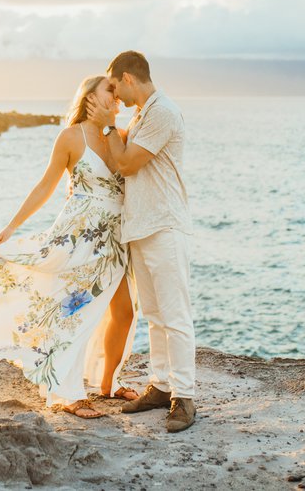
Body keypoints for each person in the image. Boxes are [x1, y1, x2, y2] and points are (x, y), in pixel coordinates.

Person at [0, 75, 139, 419]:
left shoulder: (119, 136)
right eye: (109, 89)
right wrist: (12, 225)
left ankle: (108, 384)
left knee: (124, 313)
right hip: (79, 237)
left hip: (114, 239)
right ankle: (69, 394)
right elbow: (46, 186)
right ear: (89, 96)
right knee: (76, 316)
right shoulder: (70, 137)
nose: (117, 94)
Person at [87, 50, 197, 433]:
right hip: (141, 227)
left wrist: (104, 127)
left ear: (129, 78)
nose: (115, 96)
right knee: (153, 314)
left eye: (115, 87)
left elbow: (128, 163)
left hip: (164, 226)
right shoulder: (141, 114)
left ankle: (184, 398)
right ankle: (162, 385)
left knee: (175, 315)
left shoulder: (163, 111)